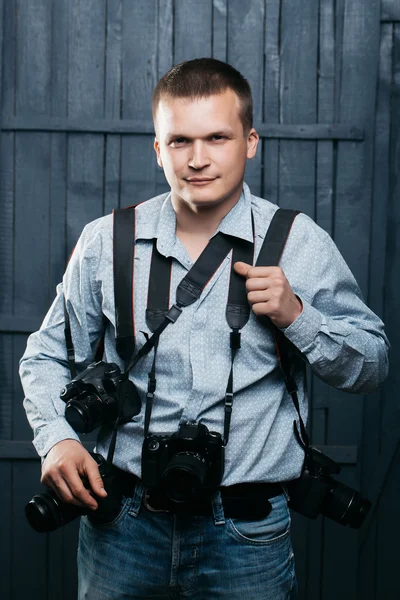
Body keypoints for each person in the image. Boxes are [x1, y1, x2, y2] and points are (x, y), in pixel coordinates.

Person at [20, 58, 389, 600]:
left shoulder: (298, 241)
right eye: (179, 141)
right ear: (157, 149)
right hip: (122, 524)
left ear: (251, 141)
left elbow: (372, 364)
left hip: (247, 532)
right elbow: (45, 356)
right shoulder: (106, 241)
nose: (197, 159)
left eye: (217, 137)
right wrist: (56, 440)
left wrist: (298, 317)